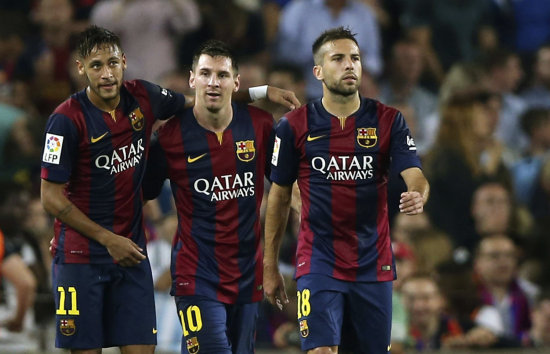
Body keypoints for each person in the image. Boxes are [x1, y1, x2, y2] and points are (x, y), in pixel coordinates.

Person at [39, 25, 299, 353]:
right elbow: (49, 196)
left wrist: (262, 91)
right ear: (80, 69)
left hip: (132, 252)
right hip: (83, 255)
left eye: (113, 63)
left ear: (124, 62)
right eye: (95, 66)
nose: (106, 73)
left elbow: (205, 98)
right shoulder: (65, 121)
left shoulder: (144, 97)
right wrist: (99, 237)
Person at [263, 27, 429, 353]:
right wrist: (269, 266)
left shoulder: (388, 120)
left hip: (374, 263)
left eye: (354, 57)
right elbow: (279, 196)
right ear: (319, 71)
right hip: (318, 261)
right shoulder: (293, 125)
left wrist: (418, 194)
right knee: (322, 350)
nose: (349, 65)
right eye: (338, 58)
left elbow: (414, 172)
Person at [142, 39, 275, 353]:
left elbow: (285, 185)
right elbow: (142, 193)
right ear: (192, 80)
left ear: (236, 82)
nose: (213, 82)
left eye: (222, 75)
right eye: (205, 73)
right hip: (195, 272)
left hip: (247, 272)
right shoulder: (170, 136)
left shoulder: (260, 125)